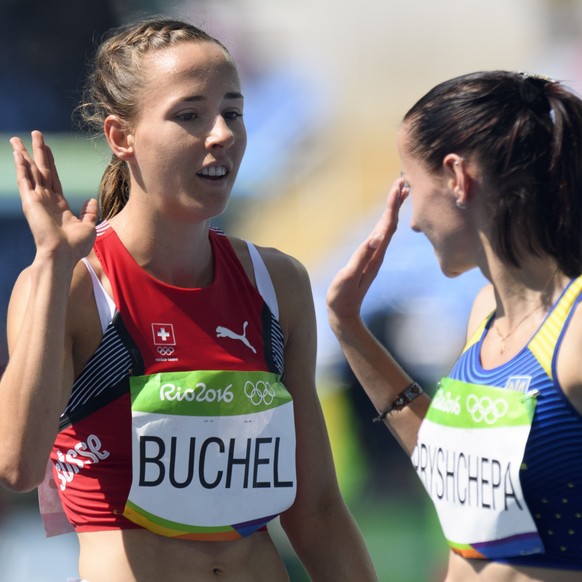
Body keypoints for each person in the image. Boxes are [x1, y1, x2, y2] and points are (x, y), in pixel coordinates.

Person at [0, 17, 377, 582]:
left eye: (233, 111)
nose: (222, 133)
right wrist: (53, 261)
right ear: (121, 137)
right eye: (190, 115)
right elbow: (19, 466)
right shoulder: (74, 283)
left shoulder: (278, 283)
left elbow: (317, 509)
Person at [327, 70, 582, 581]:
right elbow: (455, 473)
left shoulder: (576, 329)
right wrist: (349, 327)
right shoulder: (485, 314)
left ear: (457, 178)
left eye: (410, 184)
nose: (413, 221)